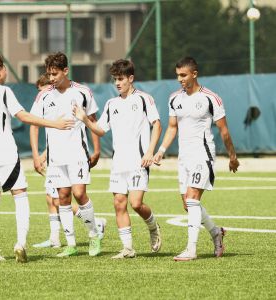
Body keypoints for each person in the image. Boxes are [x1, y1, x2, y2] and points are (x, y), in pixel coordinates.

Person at [0, 54, 74, 263]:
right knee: (20, 195)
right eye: (4, 70)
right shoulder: (4, 91)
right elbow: (22, 115)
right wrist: (54, 124)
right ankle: (20, 244)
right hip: (5, 151)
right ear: (0, 70)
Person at [73, 59, 162, 259]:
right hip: (119, 163)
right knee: (119, 204)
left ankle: (153, 226)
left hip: (139, 161)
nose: (117, 83)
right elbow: (101, 130)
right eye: (115, 79)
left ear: (131, 78)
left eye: (121, 79)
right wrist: (85, 119)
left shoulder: (143, 99)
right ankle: (128, 249)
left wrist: (150, 152)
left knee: (136, 203)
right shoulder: (111, 103)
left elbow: (157, 124)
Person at [153, 56, 240, 261]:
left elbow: (224, 131)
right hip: (184, 158)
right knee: (187, 204)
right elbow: (172, 127)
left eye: (183, 75)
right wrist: (161, 150)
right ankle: (216, 233)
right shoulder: (175, 98)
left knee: (192, 199)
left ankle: (191, 250)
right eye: (177, 76)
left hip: (203, 155)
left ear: (194, 74)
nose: (180, 79)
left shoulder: (211, 98)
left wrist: (232, 157)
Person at [29, 52, 102, 257]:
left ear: (65, 71)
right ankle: (70, 244)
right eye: (49, 74)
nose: (51, 78)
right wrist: (36, 155)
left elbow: (93, 120)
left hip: (78, 153)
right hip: (55, 157)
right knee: (62, 197)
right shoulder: (44, 95)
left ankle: (93, 236)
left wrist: (96, 150)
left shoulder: (82, 92)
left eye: (55, 74)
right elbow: (34, 124)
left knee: (79, 194)